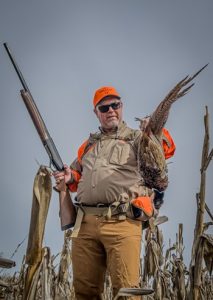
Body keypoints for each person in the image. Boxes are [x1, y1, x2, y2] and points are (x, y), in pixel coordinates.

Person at [53, 86, 175, 300]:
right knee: (84, 292)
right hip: (85, 225)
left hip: (122, 222)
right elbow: (76, 178)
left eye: (115, 105)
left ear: (121, 107)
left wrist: (155, 132)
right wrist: (68, 176)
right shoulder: (88, 145)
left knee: (127, 292)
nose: (110, 110)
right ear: (96, 112)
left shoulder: (138, 138)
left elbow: (167, 149)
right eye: (104, 107)